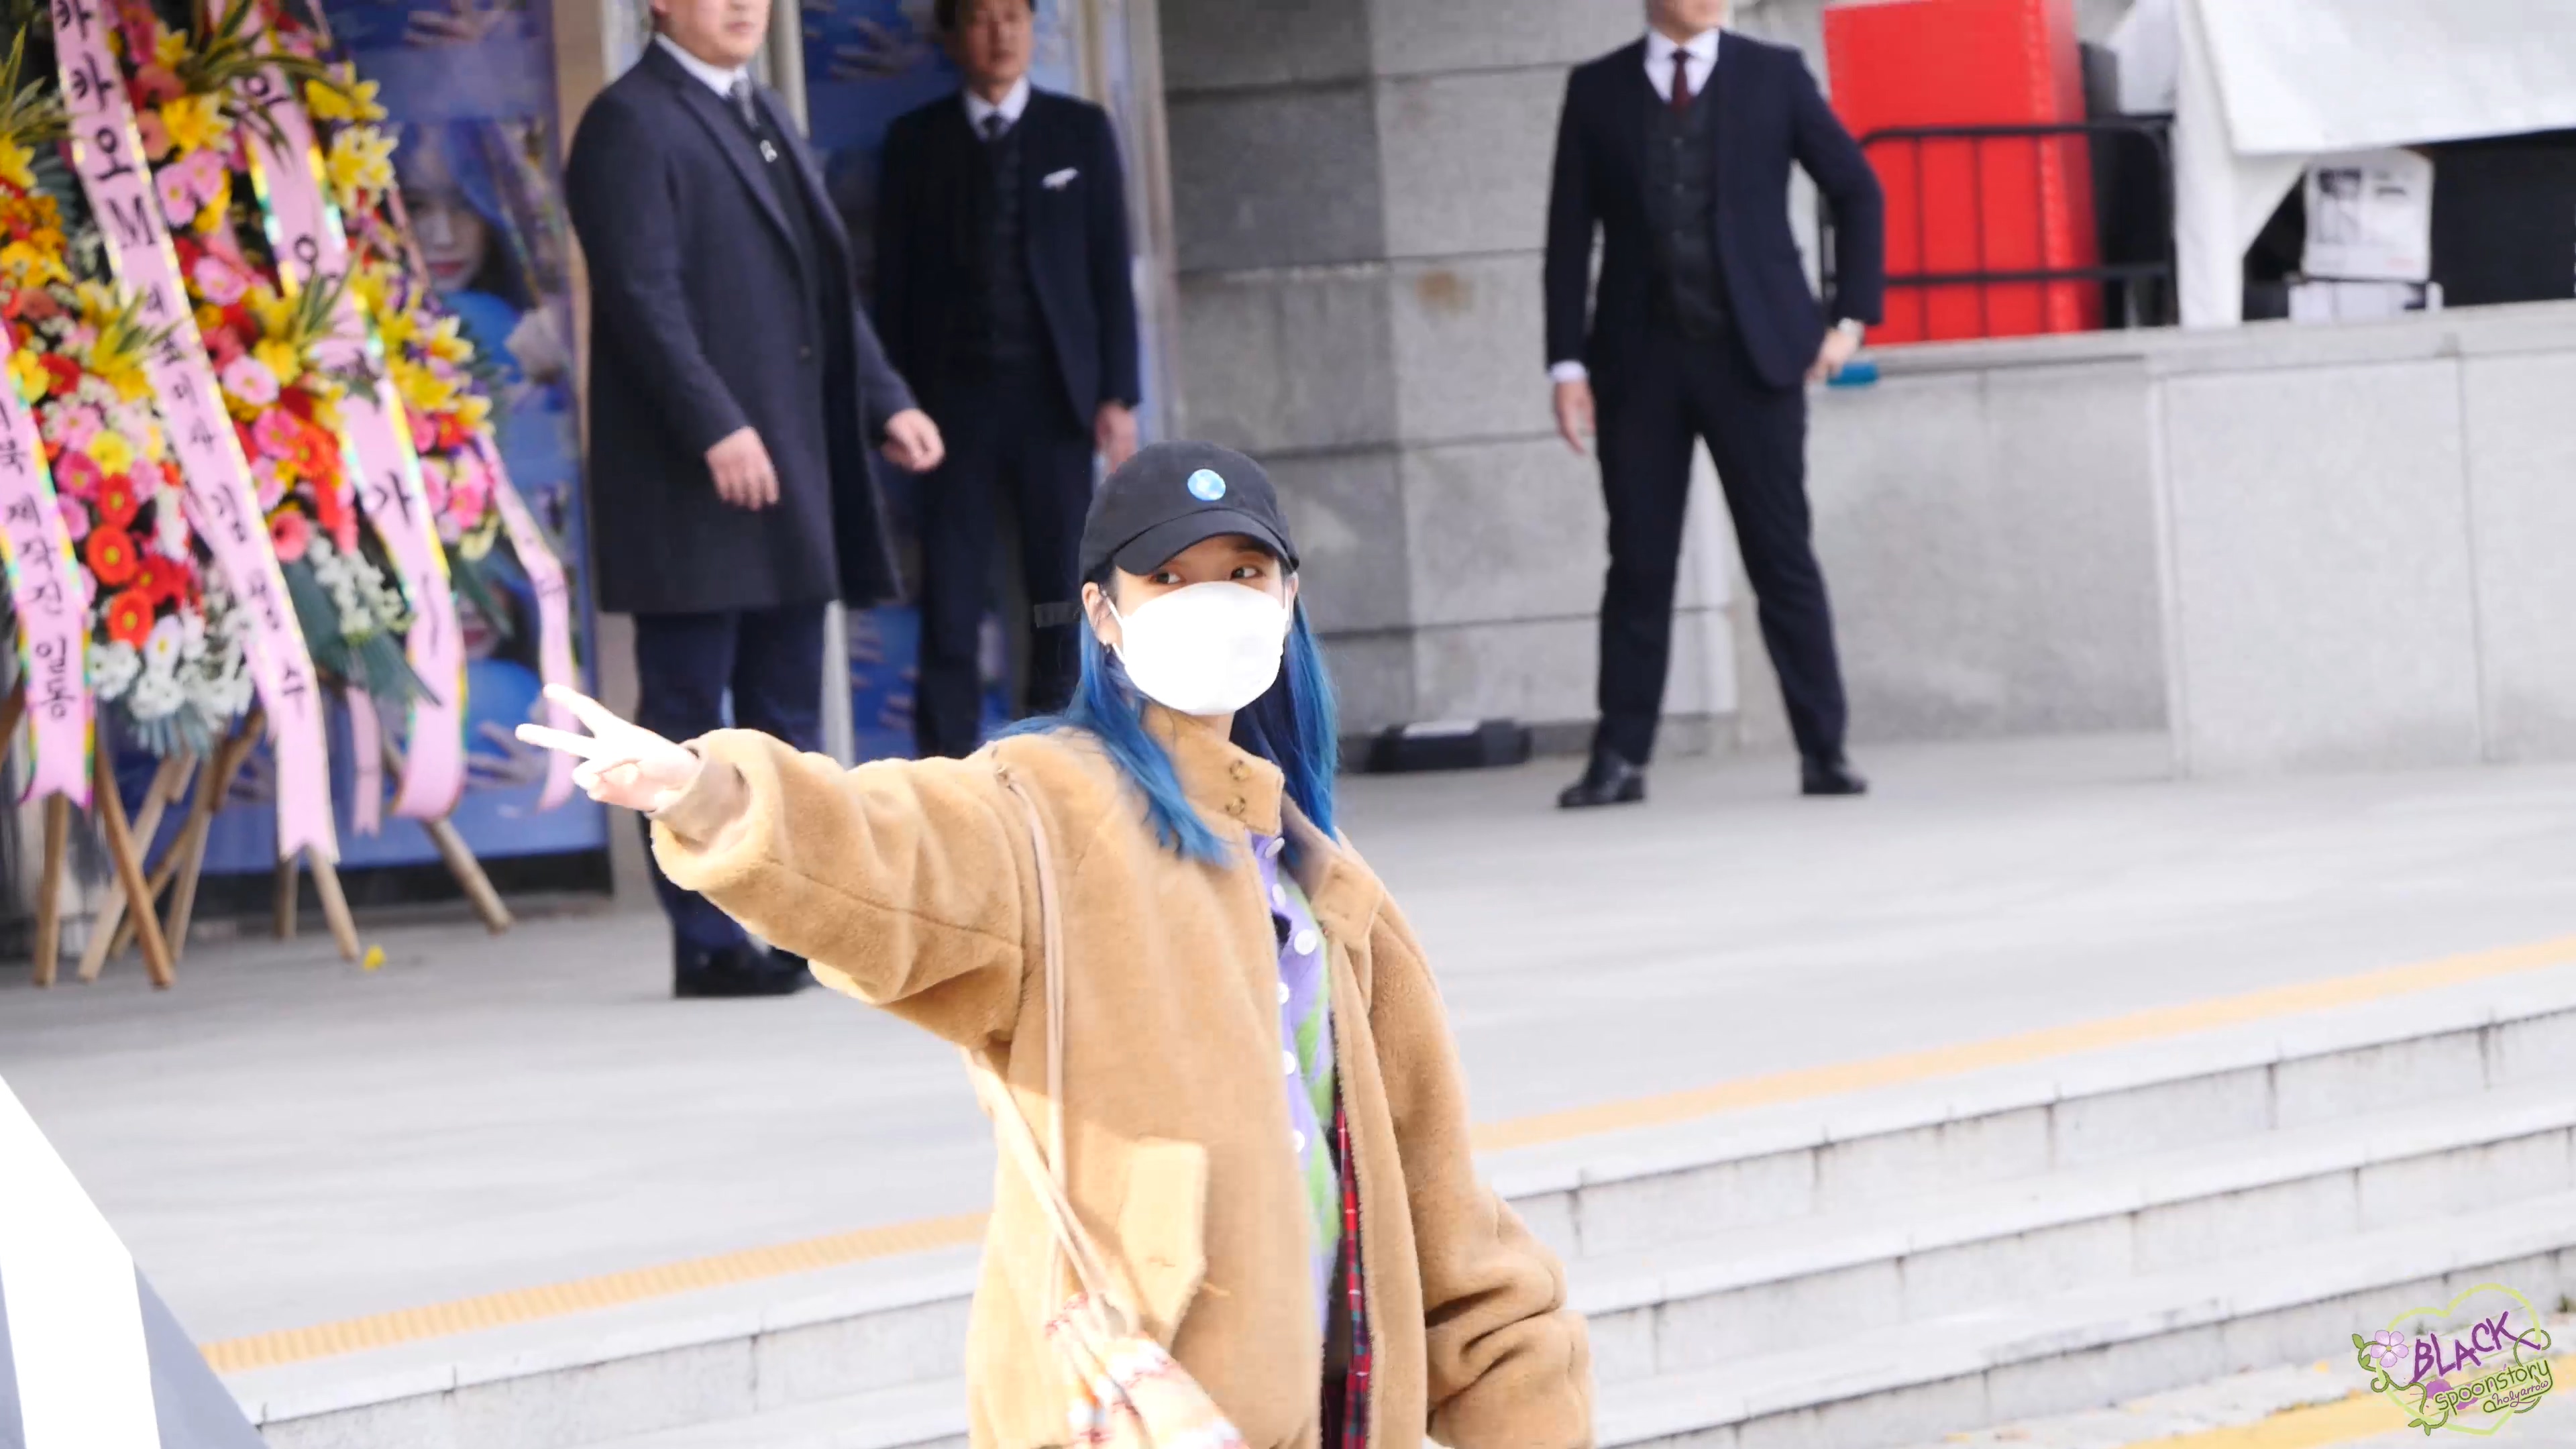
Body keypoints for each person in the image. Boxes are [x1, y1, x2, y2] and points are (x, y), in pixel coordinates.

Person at [518, 441, 1595, 1446]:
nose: (1213, 602)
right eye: (1169, 579)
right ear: (1103, 613)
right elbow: (891, 852)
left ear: (1288, 597)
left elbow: (1448, 1233)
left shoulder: (1325, 877)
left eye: (1244, 574)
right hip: (1137, 1407)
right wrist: (707, 792)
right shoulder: (1042, 803)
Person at [565, 0, 947, 997]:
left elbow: (827, 296)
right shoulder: (629, 120)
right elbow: (640, 297)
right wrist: (715, 425)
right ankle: (706, 940)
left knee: (782, 712)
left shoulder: (764, 109)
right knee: (687, 709)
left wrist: (887, 400)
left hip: (792, 464)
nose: (743, 6)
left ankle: (789, 919)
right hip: (693, 480)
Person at [1544, 0, 1885, 808]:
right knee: (1638, 561)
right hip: (1638, 364)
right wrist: (1566, 363)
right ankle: (1619, 757)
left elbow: (1857, 189)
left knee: (1781, 554)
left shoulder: (1775, 76)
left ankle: (1825, 749)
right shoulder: (1596, 90)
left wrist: (1849, 320)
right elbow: (1568, 234)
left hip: (1755, 357)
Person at [874, 0, 1143, 761]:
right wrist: (890, 405)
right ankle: (944, 770)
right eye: (982, 19)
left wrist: (1117, 396)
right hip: (947, 409)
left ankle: (1064, 755)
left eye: (1013, 17)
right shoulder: (915, 141)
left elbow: (1110, 271)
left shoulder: (1079, 130)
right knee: (952, 598)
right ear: (953, 36)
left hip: (1055, 404)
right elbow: (891, 287)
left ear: (1032, 27)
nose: (1000, 35)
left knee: (1060, 593)